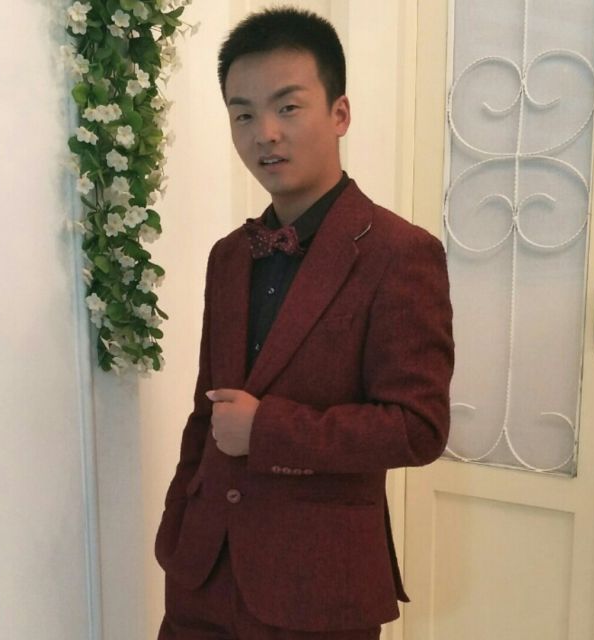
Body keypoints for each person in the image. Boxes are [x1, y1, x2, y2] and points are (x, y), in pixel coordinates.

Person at [155, 7, 454, 639]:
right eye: (243, 114)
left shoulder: (400, 253)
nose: (264, 133)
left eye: (287, 107)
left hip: (316, 585)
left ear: (339, 113)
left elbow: (418, 427)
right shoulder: (229, 256)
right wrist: (180, 516)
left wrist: (268, 429)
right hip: (201, 574)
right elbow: (208, 411)